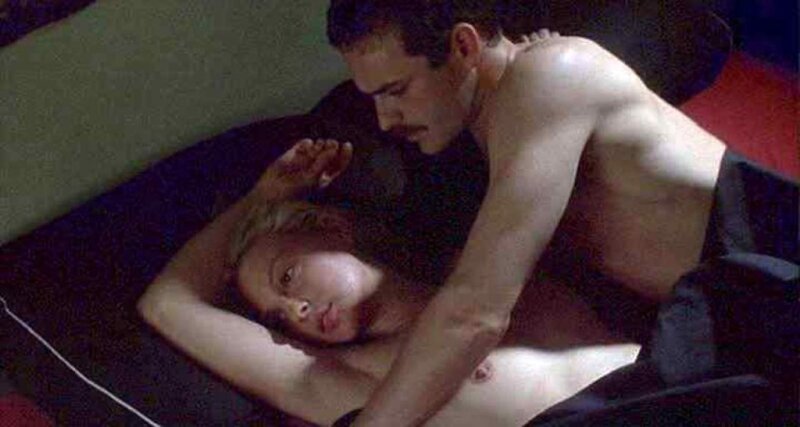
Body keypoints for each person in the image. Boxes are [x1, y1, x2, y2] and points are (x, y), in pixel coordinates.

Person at [324, 1, 799, 425]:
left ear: (464, 46)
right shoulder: (482, 133)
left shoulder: (550, 76)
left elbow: (475, 311)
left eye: (396, 90)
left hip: (773, 274)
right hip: (716, 314)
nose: (385, 119)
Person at [138, 139, 641, 426]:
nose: (295, 312)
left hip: (670, 373)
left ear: (330, 228)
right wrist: (259, 198)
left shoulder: (478, 261)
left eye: (287, 278)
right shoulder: (353, 377)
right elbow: (168, 304)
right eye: (279, 318)